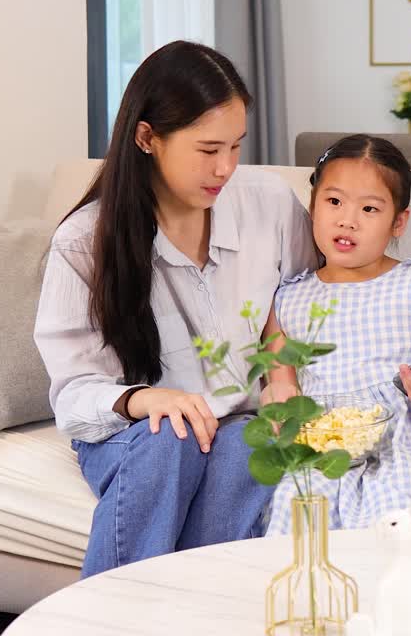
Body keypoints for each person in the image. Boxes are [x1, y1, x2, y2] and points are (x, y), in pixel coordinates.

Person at [33, 41, 318, 577]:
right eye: (208, 149)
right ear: (147, 138)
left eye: (236, 146)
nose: (226, 167)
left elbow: (308, 299)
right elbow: (72, 396)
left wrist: (283, 377)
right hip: (137, 435)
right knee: (172, 440)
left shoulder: (270, 204)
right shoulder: (82, 243)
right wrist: (147, 400)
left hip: (238, 421)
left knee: (244, 450)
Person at [261, 134, 411, 533]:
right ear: (313, 204)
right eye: (333, 202)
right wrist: (280, 404)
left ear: (398, 222)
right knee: (294, 507)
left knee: (401, 512)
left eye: (369, 208)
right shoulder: (287, 299)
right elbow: (280, 382)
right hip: (328, 444)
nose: (347, 220)